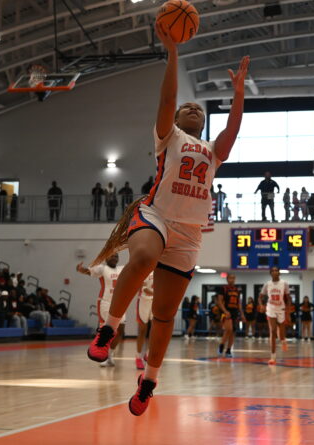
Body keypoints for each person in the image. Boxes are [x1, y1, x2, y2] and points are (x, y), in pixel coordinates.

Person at [83, 22, 248, 416]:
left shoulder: (213, 152)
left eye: (199, 108)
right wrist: (172, 52)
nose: (193, 107)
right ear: (175, 118)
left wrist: (239, 93)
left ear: (203, 124)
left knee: (163, 315)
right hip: (155, 215)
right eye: (186, 107)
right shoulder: (168, 136)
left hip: (188, 235)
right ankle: (109, 328)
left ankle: (149, 382)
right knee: (141, 258)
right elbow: (168, 96)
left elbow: (233, 129)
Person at [76, 253, 125, 367]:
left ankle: (110, 355)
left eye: (116, 256)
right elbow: (89, 271)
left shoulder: (121, 269)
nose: (114, 258)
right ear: (106, 258)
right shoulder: (102, 268)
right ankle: (102, 354)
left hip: (119, 303)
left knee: (120, 330)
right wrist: (81, 269)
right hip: (105, 302)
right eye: (112, 256)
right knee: (106, 330)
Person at [260, 266, 290, 365]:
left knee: (281, 334)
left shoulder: (284, 283)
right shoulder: (267, 284)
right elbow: (260, 297)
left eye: (276, 270)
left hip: (281, 308)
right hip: (271, 308)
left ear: (279, 273)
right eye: (272, 271)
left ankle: (283, 340)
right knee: (273, 331)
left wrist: (288, 312)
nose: (274, 272)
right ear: (270, 273)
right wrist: (262, 305)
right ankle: (273, 357)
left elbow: (288, 299)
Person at [217, 274, 244, 358]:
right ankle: (222, 345)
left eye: (233, 278)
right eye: (230, 278)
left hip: (235, 312)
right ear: (227, 279)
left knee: (232, 332)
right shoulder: (223, 288)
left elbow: (239, 303)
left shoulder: (237, 290)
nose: (232, 279)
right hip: (226, 311)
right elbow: (219, 302)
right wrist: (225, 311)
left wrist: (242, 314)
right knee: (229, 329)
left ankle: (228, 349)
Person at [135, 271, 154, 370]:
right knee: (142, 330)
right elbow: (144, 288)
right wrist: (157, 293)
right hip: (144, 301)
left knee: (154, 330)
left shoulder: (161, 271)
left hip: (155, 301)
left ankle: (148, 354)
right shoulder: (146, 269)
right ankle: (138, 357)